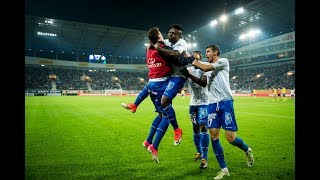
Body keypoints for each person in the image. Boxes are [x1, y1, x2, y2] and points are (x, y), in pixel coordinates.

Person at [192, 45, 254, 179]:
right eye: (206, 51)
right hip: (212, 104)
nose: (206, 53)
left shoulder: (223, 61)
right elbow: (202, 83)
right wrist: (188, 75)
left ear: (215, 52)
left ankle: (247, 150)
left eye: (208, 51)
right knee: (214, 137)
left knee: (230, 138)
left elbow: (205, 67)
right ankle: (224, 169)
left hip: (226, 102)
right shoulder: (206, 68)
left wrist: (193, 60)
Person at [122, 24, 190, 146]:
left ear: (179, 35)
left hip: (155, 81)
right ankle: (171, 133)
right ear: (159, 36)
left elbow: (174, 53)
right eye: (168, 32)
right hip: (162, 82)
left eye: (173, 33)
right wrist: (158, 46)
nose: (169, 35)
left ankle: (135, 106)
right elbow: (170, 54)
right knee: (165, 114)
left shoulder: (152, 47)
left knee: (160, 110)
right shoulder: (162, 45)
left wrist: (155, 45)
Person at [182, 51, 210, 169]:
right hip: (193, 104)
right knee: (195, 128)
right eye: (193, 57)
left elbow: (203, 83)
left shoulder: (205, 68)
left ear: (200, 59)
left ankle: (204, 157)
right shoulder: (188, 69)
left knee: (203, 126)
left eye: (197, 58)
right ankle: (199, 152)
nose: (194, 59)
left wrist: (188, 75)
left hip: (204, 102)